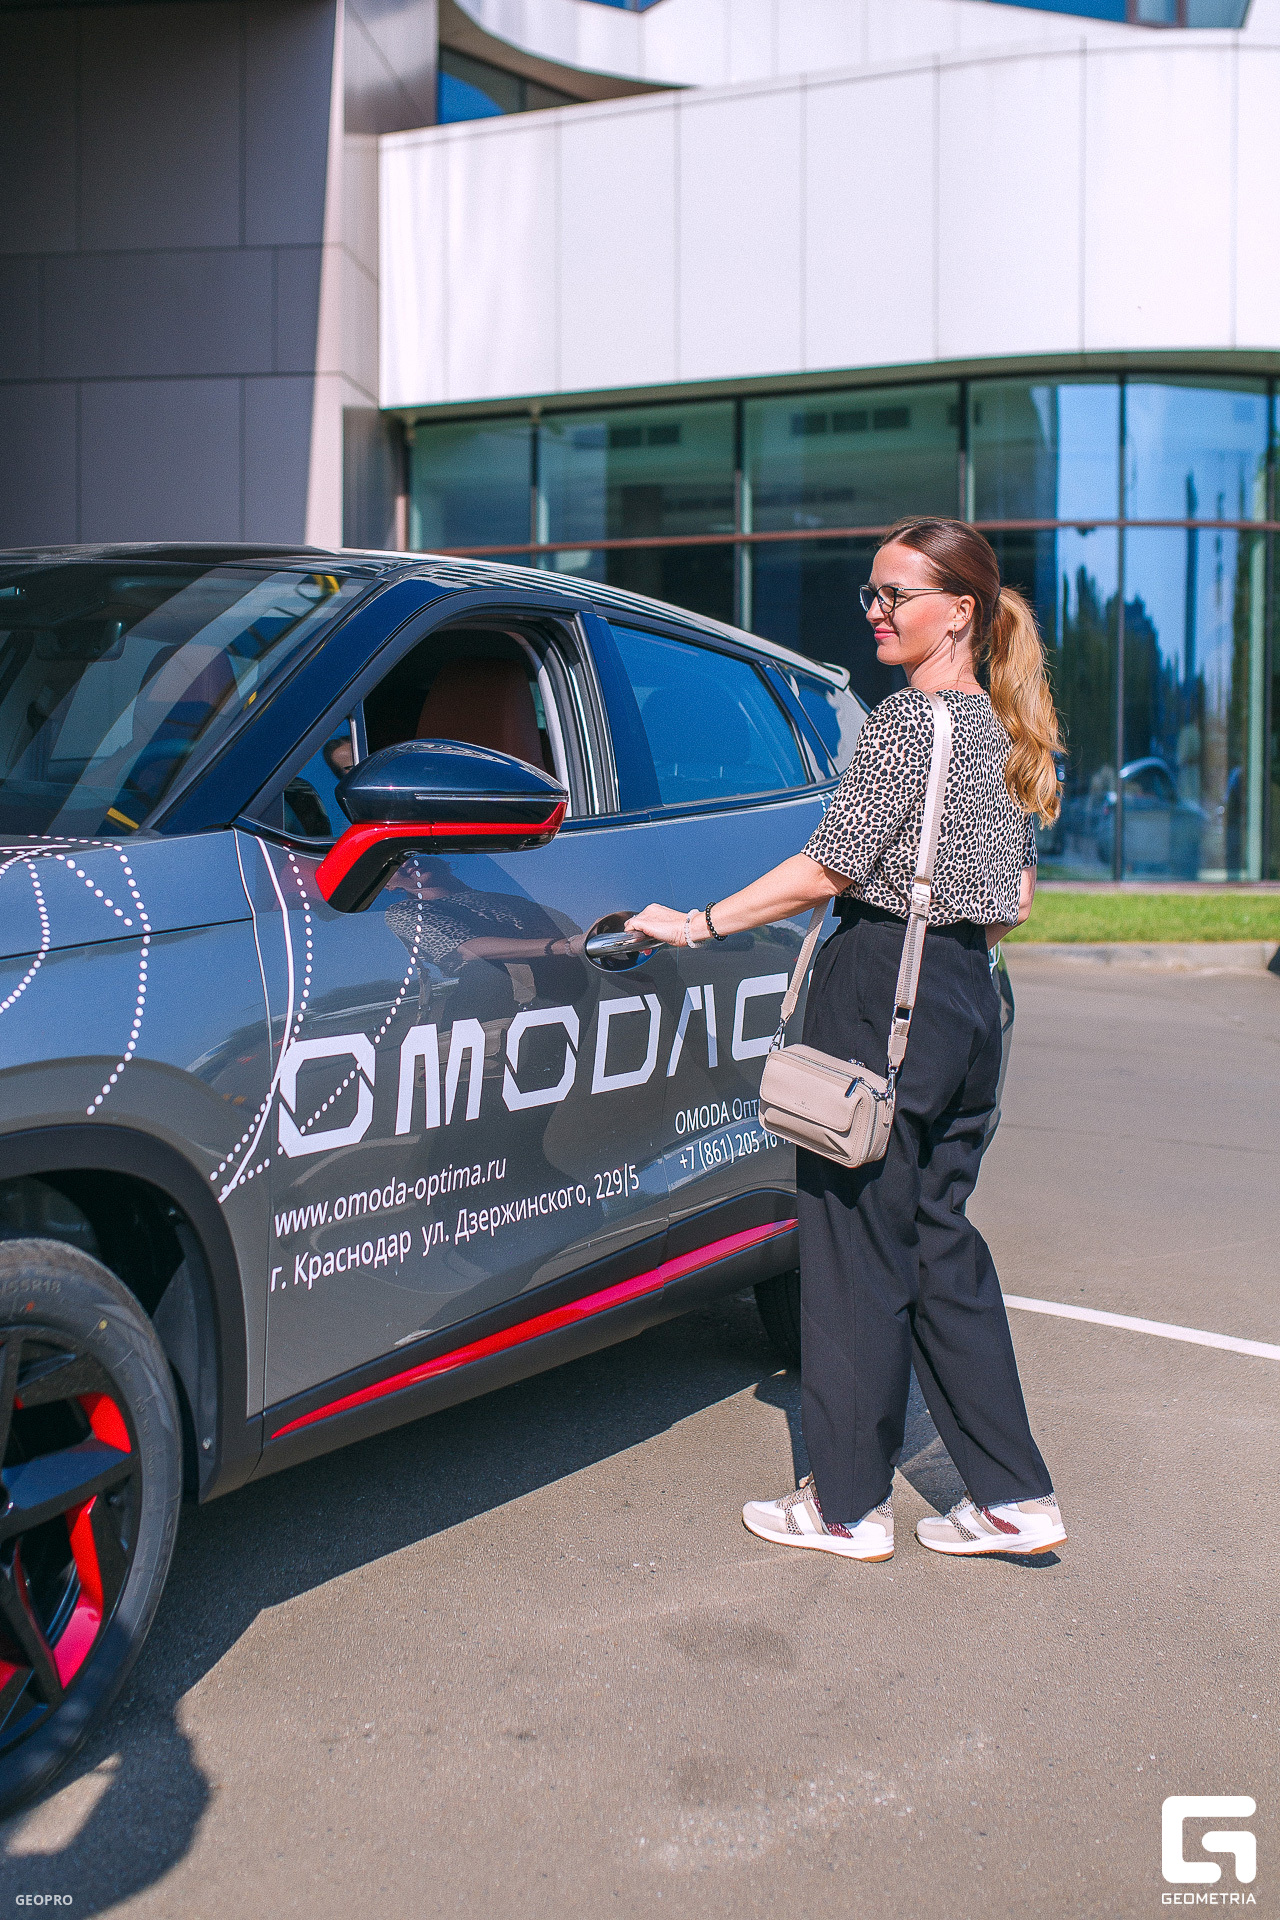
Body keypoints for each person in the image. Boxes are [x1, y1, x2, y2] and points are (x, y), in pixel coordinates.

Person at [626, 517, 1067, 1564]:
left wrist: (692, 924)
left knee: (850, 1246)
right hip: (967, 999)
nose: (873, 611)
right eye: (870, 593)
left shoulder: (907, 722)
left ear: (956, 611)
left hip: (883, 990)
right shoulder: (1004, 726)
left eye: (893, 595)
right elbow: (1012, 900)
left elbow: (827, 868)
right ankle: (1013, 1497)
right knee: (936, 1238)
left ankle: (845, 1506)